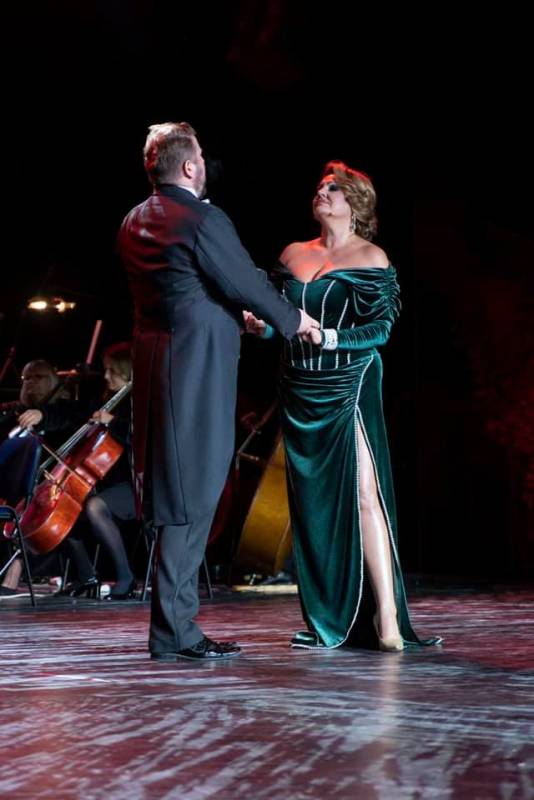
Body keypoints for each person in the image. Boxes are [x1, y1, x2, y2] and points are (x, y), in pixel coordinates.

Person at [117, 121, 319, 661]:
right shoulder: (201, 217)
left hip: (158, 366)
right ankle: (175, 632)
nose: (205, 164)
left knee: (175, 492)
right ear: (189, 166)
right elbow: (243, 281)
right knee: (194, 491)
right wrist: (293, 319)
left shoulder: (134, 220)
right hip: (196, 370)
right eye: (201, 156)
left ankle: (174, 629)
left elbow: (184, 288)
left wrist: (235, 318)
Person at [247, 160, 441, 652]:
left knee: (364, 493)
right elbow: (278, 321)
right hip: (298, 385)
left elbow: (380, 330)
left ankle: (387, 616)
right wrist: (260, 326)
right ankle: (328, 617)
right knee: (312, 505)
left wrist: (329, 336)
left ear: (355, 203)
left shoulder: (371, 256)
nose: (322, 192)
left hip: (348, 381)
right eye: (319, 187)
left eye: (333, 189)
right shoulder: (293, 253)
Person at [13, 344, 136, 600]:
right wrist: (41, 414)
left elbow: (145, 440)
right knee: (64, 511)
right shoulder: (106, 400)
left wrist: (113, 422)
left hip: (137, 485)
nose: (106, 376)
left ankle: (126, 577)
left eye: (112, 372)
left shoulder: (140, 402)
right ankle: (86, 576)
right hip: (106, 484)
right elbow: (71, 412)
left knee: (94, 507)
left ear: (128, 373)